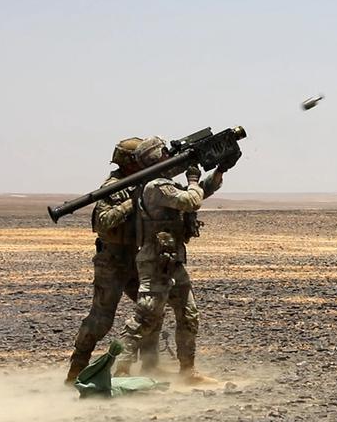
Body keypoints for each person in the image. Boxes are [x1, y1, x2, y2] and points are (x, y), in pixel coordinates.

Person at [113, 136, 237, 382]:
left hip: (173, 262)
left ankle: (187, 371)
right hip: (155, 263)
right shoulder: (155, 187)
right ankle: (120, 370)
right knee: (144, 317)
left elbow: (201, 191)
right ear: (158, 157)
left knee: (189, 314)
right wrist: (192, 179)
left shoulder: (164, 185)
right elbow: (191, 200)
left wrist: (220, 169)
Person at [65, 138, 163, 383]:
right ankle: (76, 371)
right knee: (101, 319)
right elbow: (104, 222)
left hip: (135, 258)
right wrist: (133, 200)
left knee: (152, 310)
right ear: (129, 162)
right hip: (112, 260)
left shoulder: (143, 181)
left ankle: (149, 368)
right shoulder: (113, 186)